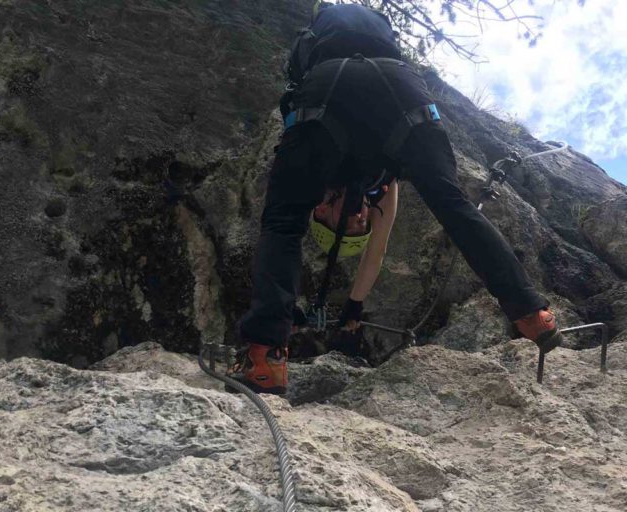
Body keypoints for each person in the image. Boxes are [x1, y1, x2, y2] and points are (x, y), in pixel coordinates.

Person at [227, 2, 562, 395]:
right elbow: (378, 251)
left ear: (320, 210)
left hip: (333, 82)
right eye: (363, 225)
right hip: (401, 87)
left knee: (282, 221)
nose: (362, 218)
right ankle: (532, 315)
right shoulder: (383, 189)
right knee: (451, 202)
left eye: (349, 225)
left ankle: (263, 354)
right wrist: (354, 303)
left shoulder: (316, 184)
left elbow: (285, 228)